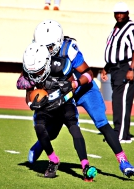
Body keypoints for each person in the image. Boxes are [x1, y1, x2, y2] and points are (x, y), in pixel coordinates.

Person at [17, 19, 134, 178]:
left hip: (83, 89)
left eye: (49, 46)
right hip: (60, 90)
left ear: (57, 42)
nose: (45, 49)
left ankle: (123, 160)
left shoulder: (68, 49)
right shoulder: (37, 50)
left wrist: (75, 83)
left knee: (101, 122)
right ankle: (40, 145)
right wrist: (32, 98)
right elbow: (27, 82)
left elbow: (89, 73)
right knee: (52, 127)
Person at [22, 42, 97, 181]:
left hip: (64, 102)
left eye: (38, 71)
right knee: (38, 126)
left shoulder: (61, 65)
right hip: (46, 107)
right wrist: (33, 104)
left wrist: (62, 95)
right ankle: (53, 160)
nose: (35, 75)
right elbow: (28, 96)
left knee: (74, 129)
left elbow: (72, 88)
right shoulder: (29, 70)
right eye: (33, 72)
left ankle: (85, 165)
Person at [101, 2, 134, 143]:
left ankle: (121, 135)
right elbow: (114, 51)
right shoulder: (116, 28)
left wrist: (131, 69)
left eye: (122, 13)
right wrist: (106, 68)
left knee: (122, 100)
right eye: (117, 13)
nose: (119, 15)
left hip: (127, 67)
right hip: (115, 68)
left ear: (127, 13)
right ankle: (119, 131)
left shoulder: (132, 28)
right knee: (117, 99)